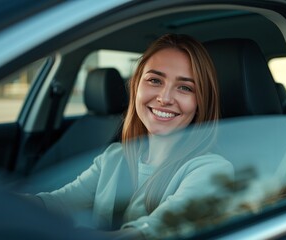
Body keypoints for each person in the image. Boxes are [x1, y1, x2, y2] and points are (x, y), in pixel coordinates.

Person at [35, 33, 234, 239]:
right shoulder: (115, 157)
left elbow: (149, 232)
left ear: (201, 101)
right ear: (136, 86)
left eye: (185, 87)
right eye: (155, 80)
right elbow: (58, 202)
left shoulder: (211, 170)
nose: (164, 98)